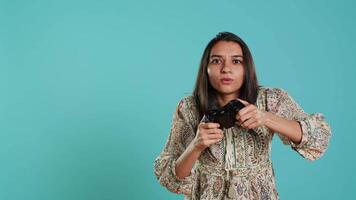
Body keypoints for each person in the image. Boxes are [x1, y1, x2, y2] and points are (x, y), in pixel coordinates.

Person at [153, 32, 332, 200]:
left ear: (247, 67)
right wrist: (196, 145)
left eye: (236, 61)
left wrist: (266, 118)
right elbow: (172, 177)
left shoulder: (270, 99)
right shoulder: (190, 107)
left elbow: (319, 138)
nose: (226, 69)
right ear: (205, 68)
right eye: (216, 61)